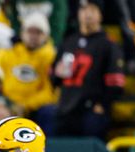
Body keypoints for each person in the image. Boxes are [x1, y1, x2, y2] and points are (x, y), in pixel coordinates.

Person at [52, 0, 124, 140]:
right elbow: (53, 78)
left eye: (92, 10)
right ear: (78, 13)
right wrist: (57, 73)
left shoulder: (108, 44)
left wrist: (103, 104)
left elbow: (116, 83)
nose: (88, 14)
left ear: (100, 15)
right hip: (66, 108)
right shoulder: (68, 42)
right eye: (84, 9)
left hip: (91, 110)